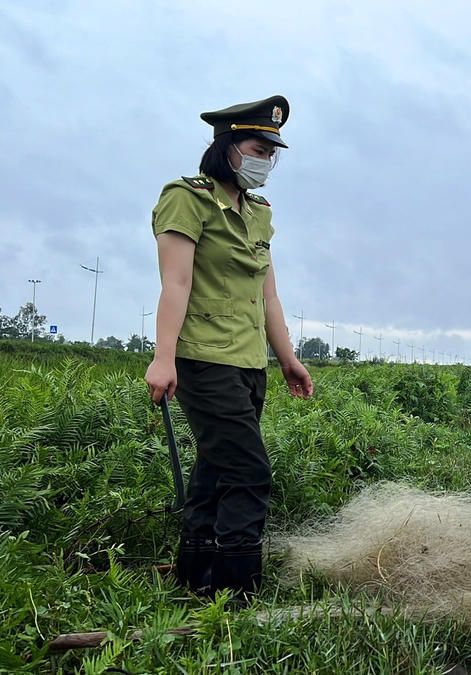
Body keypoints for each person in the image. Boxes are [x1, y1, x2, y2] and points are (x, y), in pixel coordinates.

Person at [144, 95, 314, 601]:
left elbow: (269, 294)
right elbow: (175, 283)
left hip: (247, 361)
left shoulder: (258, 212)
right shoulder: (186, 198)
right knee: (248, 469)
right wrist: (163, 357)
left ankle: (196, 573)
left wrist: (287, 359)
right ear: (228, 146)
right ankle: (239, 589)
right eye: (259, 147)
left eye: (272, 151)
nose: (267, 159)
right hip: (202, 358)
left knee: (216, 468)